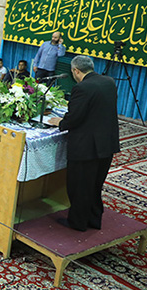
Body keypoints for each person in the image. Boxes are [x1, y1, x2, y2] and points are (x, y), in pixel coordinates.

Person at [47, 55, 119, 232]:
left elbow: (74, 118)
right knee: (95, 185)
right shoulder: (108, 81)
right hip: (106, 144)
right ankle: (94, 220)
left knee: (79, 186)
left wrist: (60, 122)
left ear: (76, 71)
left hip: (86, 147)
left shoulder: (82, 87)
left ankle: (78, 223)